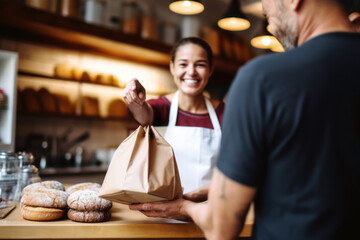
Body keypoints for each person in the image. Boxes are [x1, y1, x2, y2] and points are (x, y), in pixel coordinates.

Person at [130, 0, 360, 239]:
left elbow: (221, 228)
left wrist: (183, 207)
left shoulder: (263, 79)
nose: (263, 12)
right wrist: (216, 190)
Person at [123, 37, 224, 201]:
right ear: (172, 67)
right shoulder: (163, 107)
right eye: (183, 64)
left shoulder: (224, 112)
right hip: (167, 210)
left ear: (210, 69)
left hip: (211, 208)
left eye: (200, 64)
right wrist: (135, 99)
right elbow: (144, 115)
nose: (191, 72)